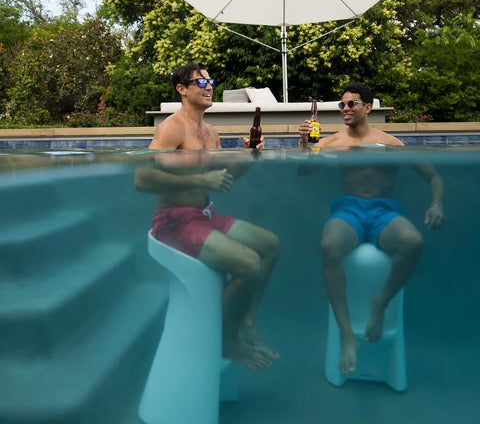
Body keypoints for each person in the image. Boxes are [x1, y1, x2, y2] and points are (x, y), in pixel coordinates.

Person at [135, 63, 280, 371]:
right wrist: (200, 181)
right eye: (200, 81)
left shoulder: (210, 132)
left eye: (210, 80)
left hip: (204, 216)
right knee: (248, 263)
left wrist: (247, 155)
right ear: (182, 89)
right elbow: (142, 178)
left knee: (269, 245)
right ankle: (228, 342)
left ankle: (245, 321)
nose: (209, 85)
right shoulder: (172, 127)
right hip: (174, 222)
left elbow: (223, 176)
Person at [299, 83, 444, 374]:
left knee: (413, 242)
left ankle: (380, 304)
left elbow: (432, 175)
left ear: (368, 107)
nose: (345, 110)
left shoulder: (392, 144)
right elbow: (304, 169)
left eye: (351, 104)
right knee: (328, 245)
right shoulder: (332, 142)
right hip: (349, 209)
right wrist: (305, 145)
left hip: (382, 210)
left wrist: (437, 204)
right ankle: (347, 337)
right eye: (341, 105)